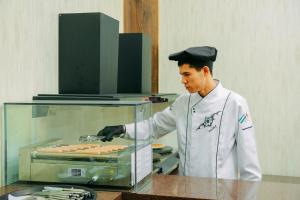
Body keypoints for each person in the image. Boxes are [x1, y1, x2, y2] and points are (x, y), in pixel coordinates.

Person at [98, 46, 262, 181]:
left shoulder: (235, 103)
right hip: (187, 190)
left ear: (205, 71)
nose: (182, 80)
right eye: (181, 75)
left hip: (221, 193)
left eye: (187, 74)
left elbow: (249, 163)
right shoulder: (184, 102)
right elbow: (154, 126)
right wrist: (123, 129)